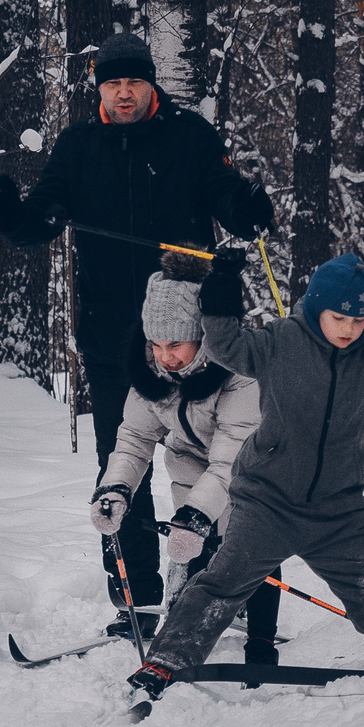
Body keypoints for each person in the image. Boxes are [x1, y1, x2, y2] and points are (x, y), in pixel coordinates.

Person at [0, 30, 273, 631]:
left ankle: (213, 591)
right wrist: (10, 215)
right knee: (123, 464)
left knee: (210, 464)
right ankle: (136, 599)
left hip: (197, 337)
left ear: (150, 83)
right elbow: (42, 220)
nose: (123, 93)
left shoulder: (190, 136)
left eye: (133, 81)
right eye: (112, 83)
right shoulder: (79, 146)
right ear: (99, 88)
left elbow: (227, 202)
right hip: (115, 338)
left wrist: (248, 207)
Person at [125, 250, 364, 706]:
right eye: (339, 317)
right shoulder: (281, 342)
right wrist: (221, 292)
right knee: (221, 582)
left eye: (359, 318)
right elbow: (226, 346)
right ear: (315, 308)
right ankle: (166, 659)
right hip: (268, 500)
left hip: (338, 510)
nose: (349, 328)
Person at [89, 267, 284, 663]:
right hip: (192, 465)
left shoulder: (241, 375)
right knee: (191, 545)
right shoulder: (152, 372)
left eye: (176, 343)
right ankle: (183, 629)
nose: (165, 356)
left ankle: (260, 640)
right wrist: (116, 487)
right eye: (156, 344)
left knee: (251, 544)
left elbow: (232, 460)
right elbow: (133, 439)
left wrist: (199, 513)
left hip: (255, 463)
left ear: (203, 336)